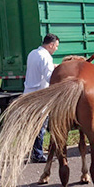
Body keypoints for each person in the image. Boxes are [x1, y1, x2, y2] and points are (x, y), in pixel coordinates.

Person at [23, 33, 59, 163]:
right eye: (56, 46)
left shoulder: (33, 53)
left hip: (28, 92)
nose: (56, 49)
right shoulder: (46, 57)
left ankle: (32, 151)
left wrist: (53, 66)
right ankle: (37, 154)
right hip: (40, 95)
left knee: (31, 125)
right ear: (51, 45)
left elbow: (38, 68)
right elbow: (49, 78)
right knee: (40, 126)